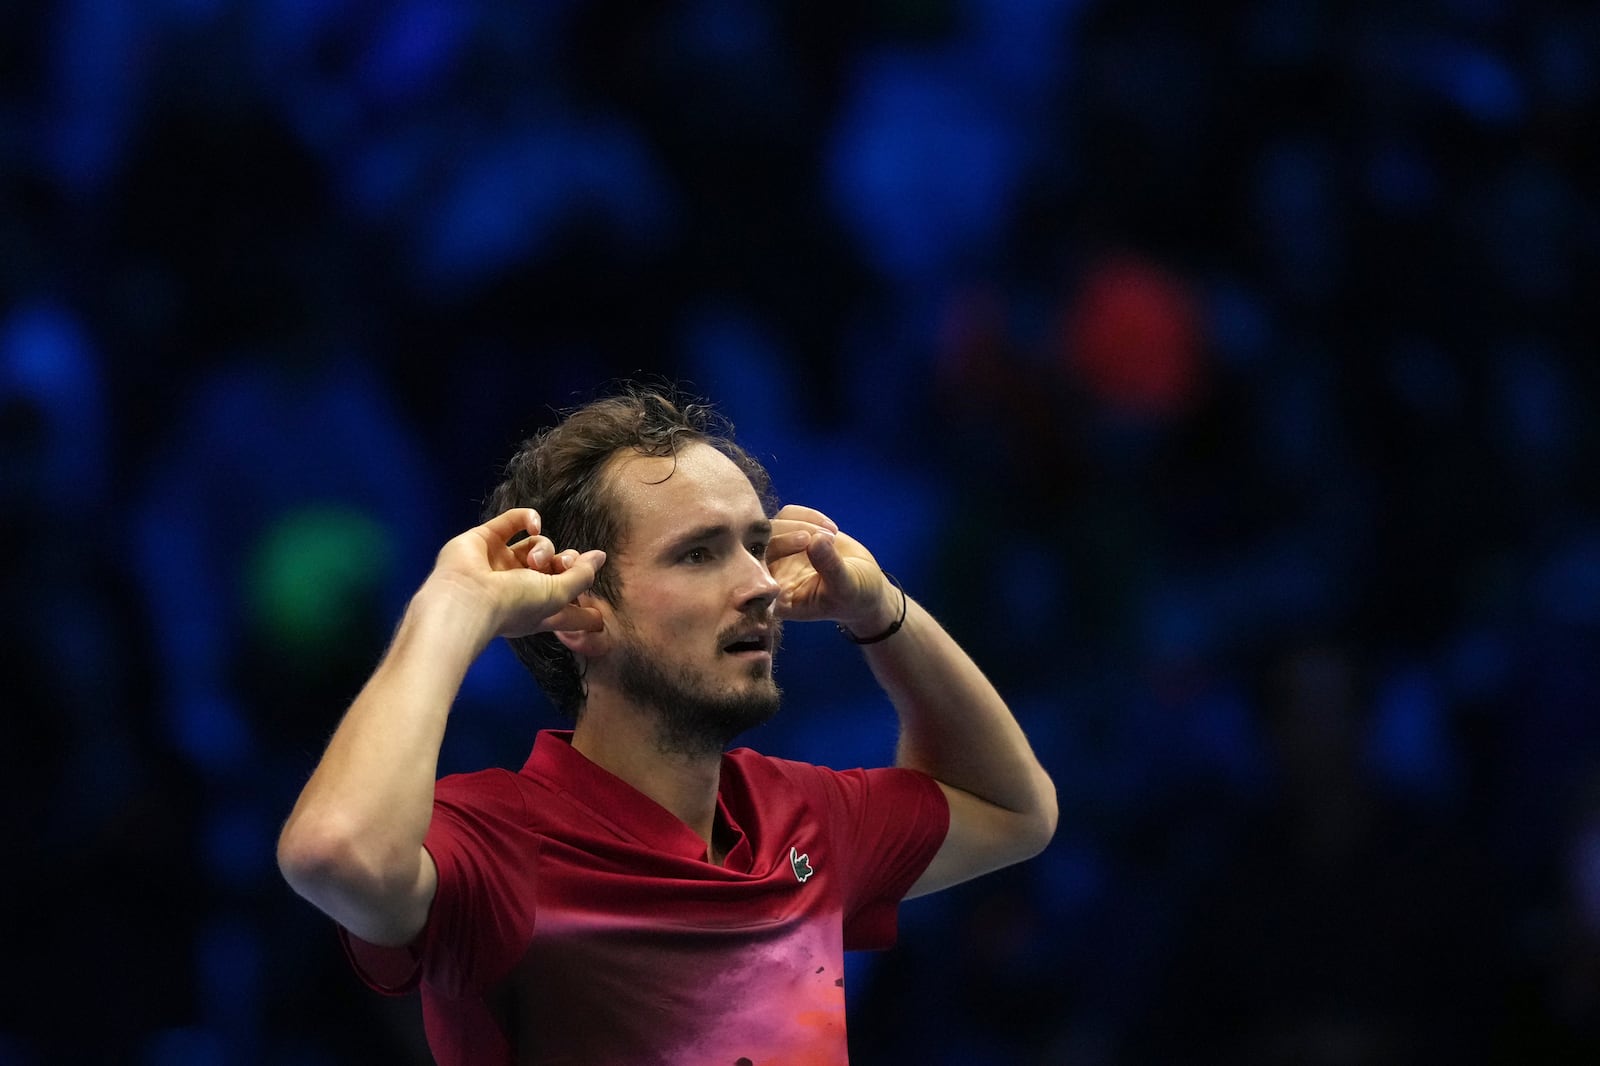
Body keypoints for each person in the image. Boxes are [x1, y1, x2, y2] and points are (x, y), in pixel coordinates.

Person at [277, 383, 1058, 1064]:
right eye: (698, 554)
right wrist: (451, 606)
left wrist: (883, 611)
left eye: (756, 545)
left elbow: (1012, 810)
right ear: (580, 609)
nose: (761, 585)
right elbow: (334, 853)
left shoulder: (807, 821)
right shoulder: (500, 845)